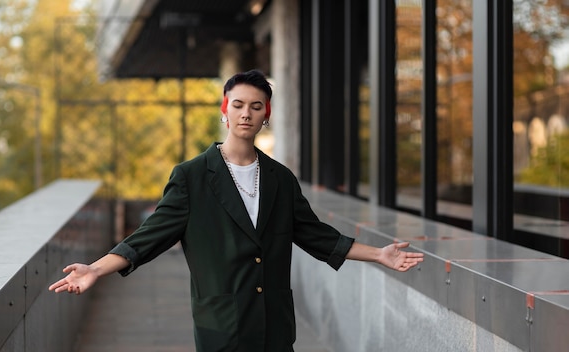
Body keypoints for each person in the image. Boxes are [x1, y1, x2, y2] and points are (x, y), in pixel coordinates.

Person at [49, 69, 424, 351]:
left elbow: (316, 236)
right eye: (238, 105)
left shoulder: (280, 178)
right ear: (225, 111)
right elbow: (150, 237)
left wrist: (380, 255)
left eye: (256, 106)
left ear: (267, 115)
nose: (247, 113)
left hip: (273, 327)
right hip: (223, 327)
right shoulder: (192, 177)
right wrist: (96, 269)